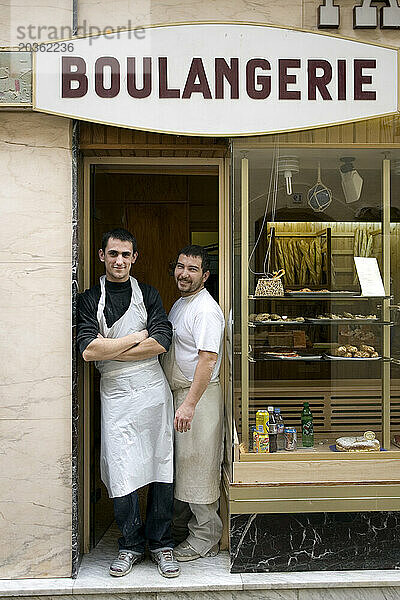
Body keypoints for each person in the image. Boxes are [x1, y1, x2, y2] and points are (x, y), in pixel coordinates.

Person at [77, 228, 180, 579]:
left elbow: (162, 340)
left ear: (134, 258)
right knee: (121, 470)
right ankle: (130, 544)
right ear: (101, 256)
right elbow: (89, 350)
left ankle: (161, 544)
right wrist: (138, 337)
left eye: (125, 255)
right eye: (113, 254)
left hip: (153, 391)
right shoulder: (90, 299)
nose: (119, 261)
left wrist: (115, 345)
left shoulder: (148, 294)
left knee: (161, 467)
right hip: (117, 395)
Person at [162, 245, 225, 562]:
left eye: (192, 269)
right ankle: (183, 529)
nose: (184, 273)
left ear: (205, 275)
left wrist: (189, 404)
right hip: (181, 395)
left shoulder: (205, 309)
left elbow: (208, 359)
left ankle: (205, 538)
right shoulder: (181, 304)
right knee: (183, 467)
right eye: (180, 266)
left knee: (199, 466)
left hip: (198, 397)